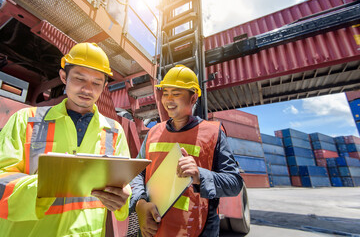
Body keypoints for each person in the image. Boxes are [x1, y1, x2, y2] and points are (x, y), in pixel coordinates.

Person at [0, 42, 131, 236]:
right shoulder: (24, 120)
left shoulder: (114, 131)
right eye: (79, 79)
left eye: (96, 83)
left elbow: (122, 185)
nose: (87, 89)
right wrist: (50, 185)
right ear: (64, 77)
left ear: (104, 87)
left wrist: (123, 198)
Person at [130, 65, 243, 237]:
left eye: (176, 94)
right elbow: (137, 173)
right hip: (154, 229)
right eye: (165, 93)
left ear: (193, 98)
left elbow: (234, 183)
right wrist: (140, 203)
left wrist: (200, 175)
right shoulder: (153, 133)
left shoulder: (213, 133)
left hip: (197, 230)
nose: (168, 100)